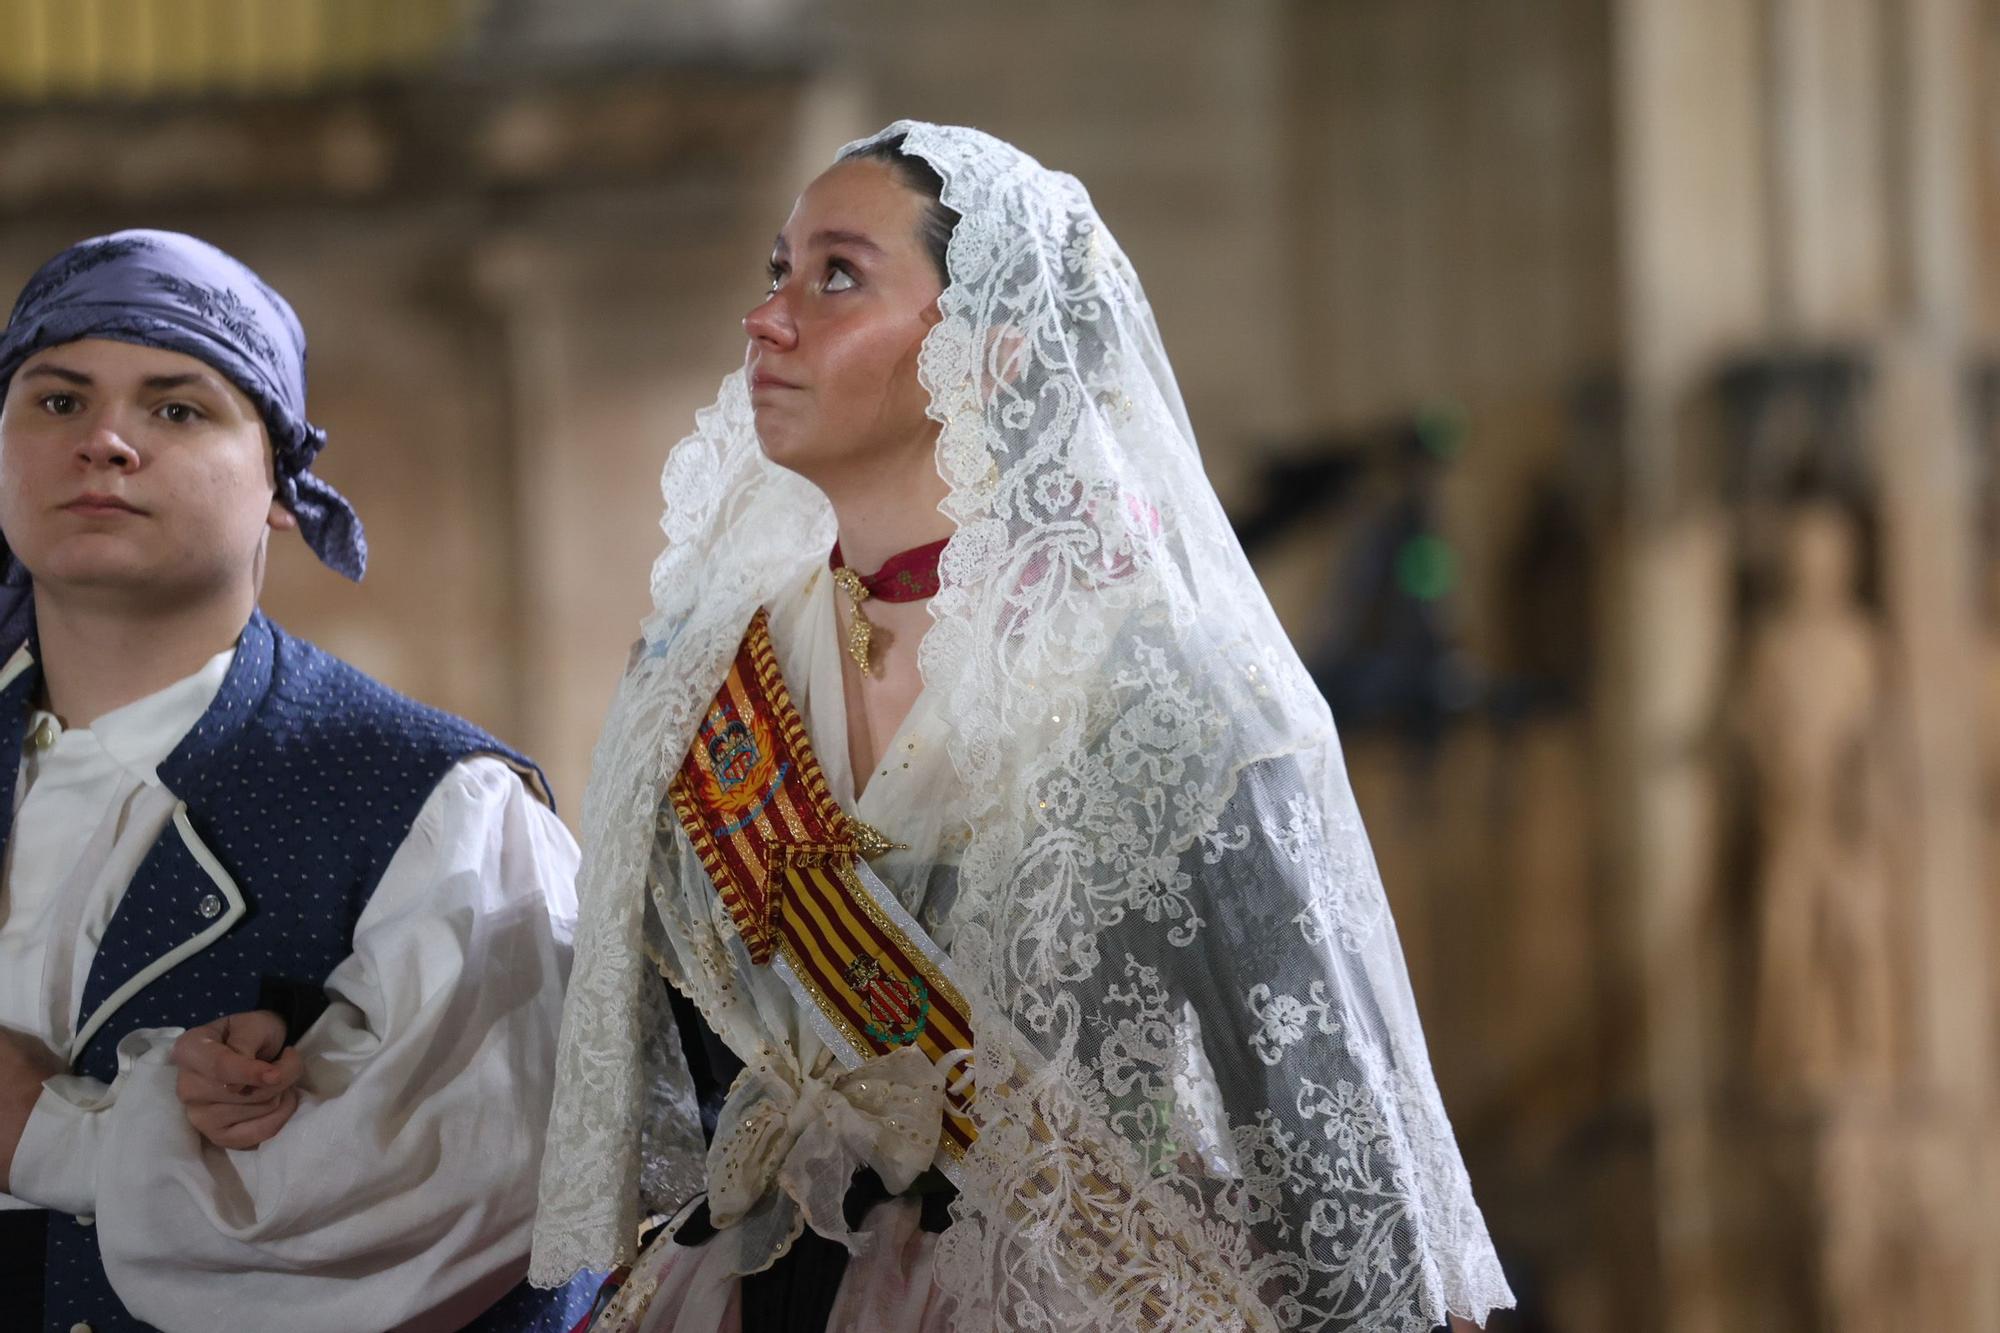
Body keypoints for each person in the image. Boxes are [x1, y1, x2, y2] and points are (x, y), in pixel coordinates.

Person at [528, 123, 1514, 1332]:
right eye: (775, 271)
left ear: (989, 353)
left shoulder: (1156, 690)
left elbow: (1321, 1137)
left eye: (836, 275)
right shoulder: (698, 670)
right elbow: (650, 1066)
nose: (768, 318)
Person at [0, 230, 600, 1332]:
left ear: (282, 482)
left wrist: (46, 1127)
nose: (107, 442)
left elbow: (472, 1197)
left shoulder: (438, 809)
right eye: (56, 402)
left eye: (177, 408)